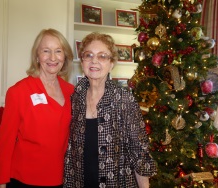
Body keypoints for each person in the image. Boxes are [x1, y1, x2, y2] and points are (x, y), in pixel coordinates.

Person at [63, 32, 157, 188]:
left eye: (102, 56)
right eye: (89, 55)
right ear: (82, 62)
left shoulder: (124, 99)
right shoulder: (75, 98)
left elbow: (139, 153)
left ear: (111, 63)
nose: (94, 61)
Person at [0, 28, 74, 188]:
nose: (52, 57)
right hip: (24, 179)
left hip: (60, 178)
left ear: (65, 56)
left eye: (58, 51)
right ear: (37, 56)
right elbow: (5, 141)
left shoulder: (71, 91)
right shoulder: (19, 92)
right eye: (46, 51)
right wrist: (0, 181)